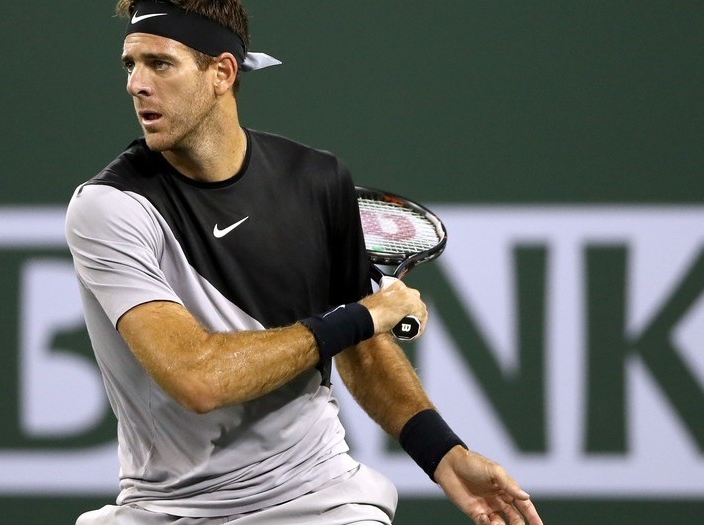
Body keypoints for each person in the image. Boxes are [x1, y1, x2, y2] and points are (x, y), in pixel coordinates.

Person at [65, 1, 543, 524]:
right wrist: (362, 315)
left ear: (222, 72)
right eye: (130, 64)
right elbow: (198, 378)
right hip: (167, 509)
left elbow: (362, 351)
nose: (136, 84)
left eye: (160, 64)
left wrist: (444, 454)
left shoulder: (316, 180)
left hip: (320, 498)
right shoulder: (111, 207)